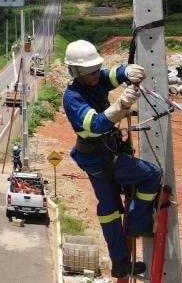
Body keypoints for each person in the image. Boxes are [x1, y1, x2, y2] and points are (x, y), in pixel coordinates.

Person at [62, 39, 161, 279]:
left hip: (96, 156)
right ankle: (138, 222)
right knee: (152, 175)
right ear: (76, 72)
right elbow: (95, 125)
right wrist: (121, 104)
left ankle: (120, 263)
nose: (96, 74)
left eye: (97, 69)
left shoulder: (94, 80)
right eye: (90, 72)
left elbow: (110, 75)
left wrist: (126, 71)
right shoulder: (73, 97)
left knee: (108, 209)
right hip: (101, 156)